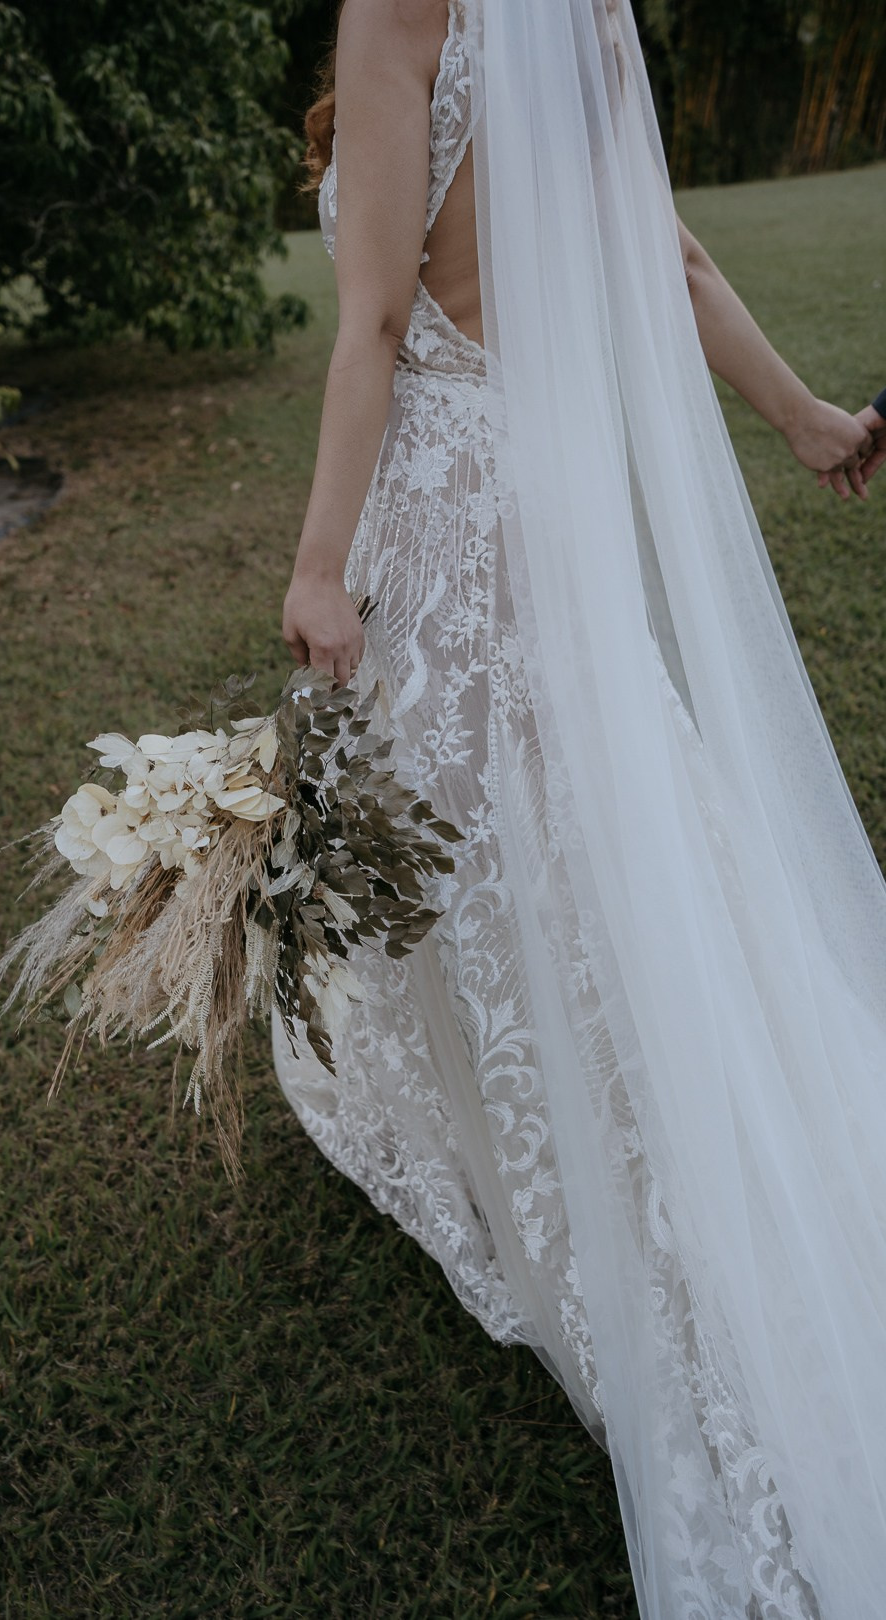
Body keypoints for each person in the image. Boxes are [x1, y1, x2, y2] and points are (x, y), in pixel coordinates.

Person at [274, 3, 886, 1615]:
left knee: (479, 853)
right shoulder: (590, 13)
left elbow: (377, 321)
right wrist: (808, 418)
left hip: (446, 508)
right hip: (553, 497)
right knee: (577, 833)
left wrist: (322, 565)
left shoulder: (402, 9)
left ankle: (580, 1138)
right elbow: (668, 260)